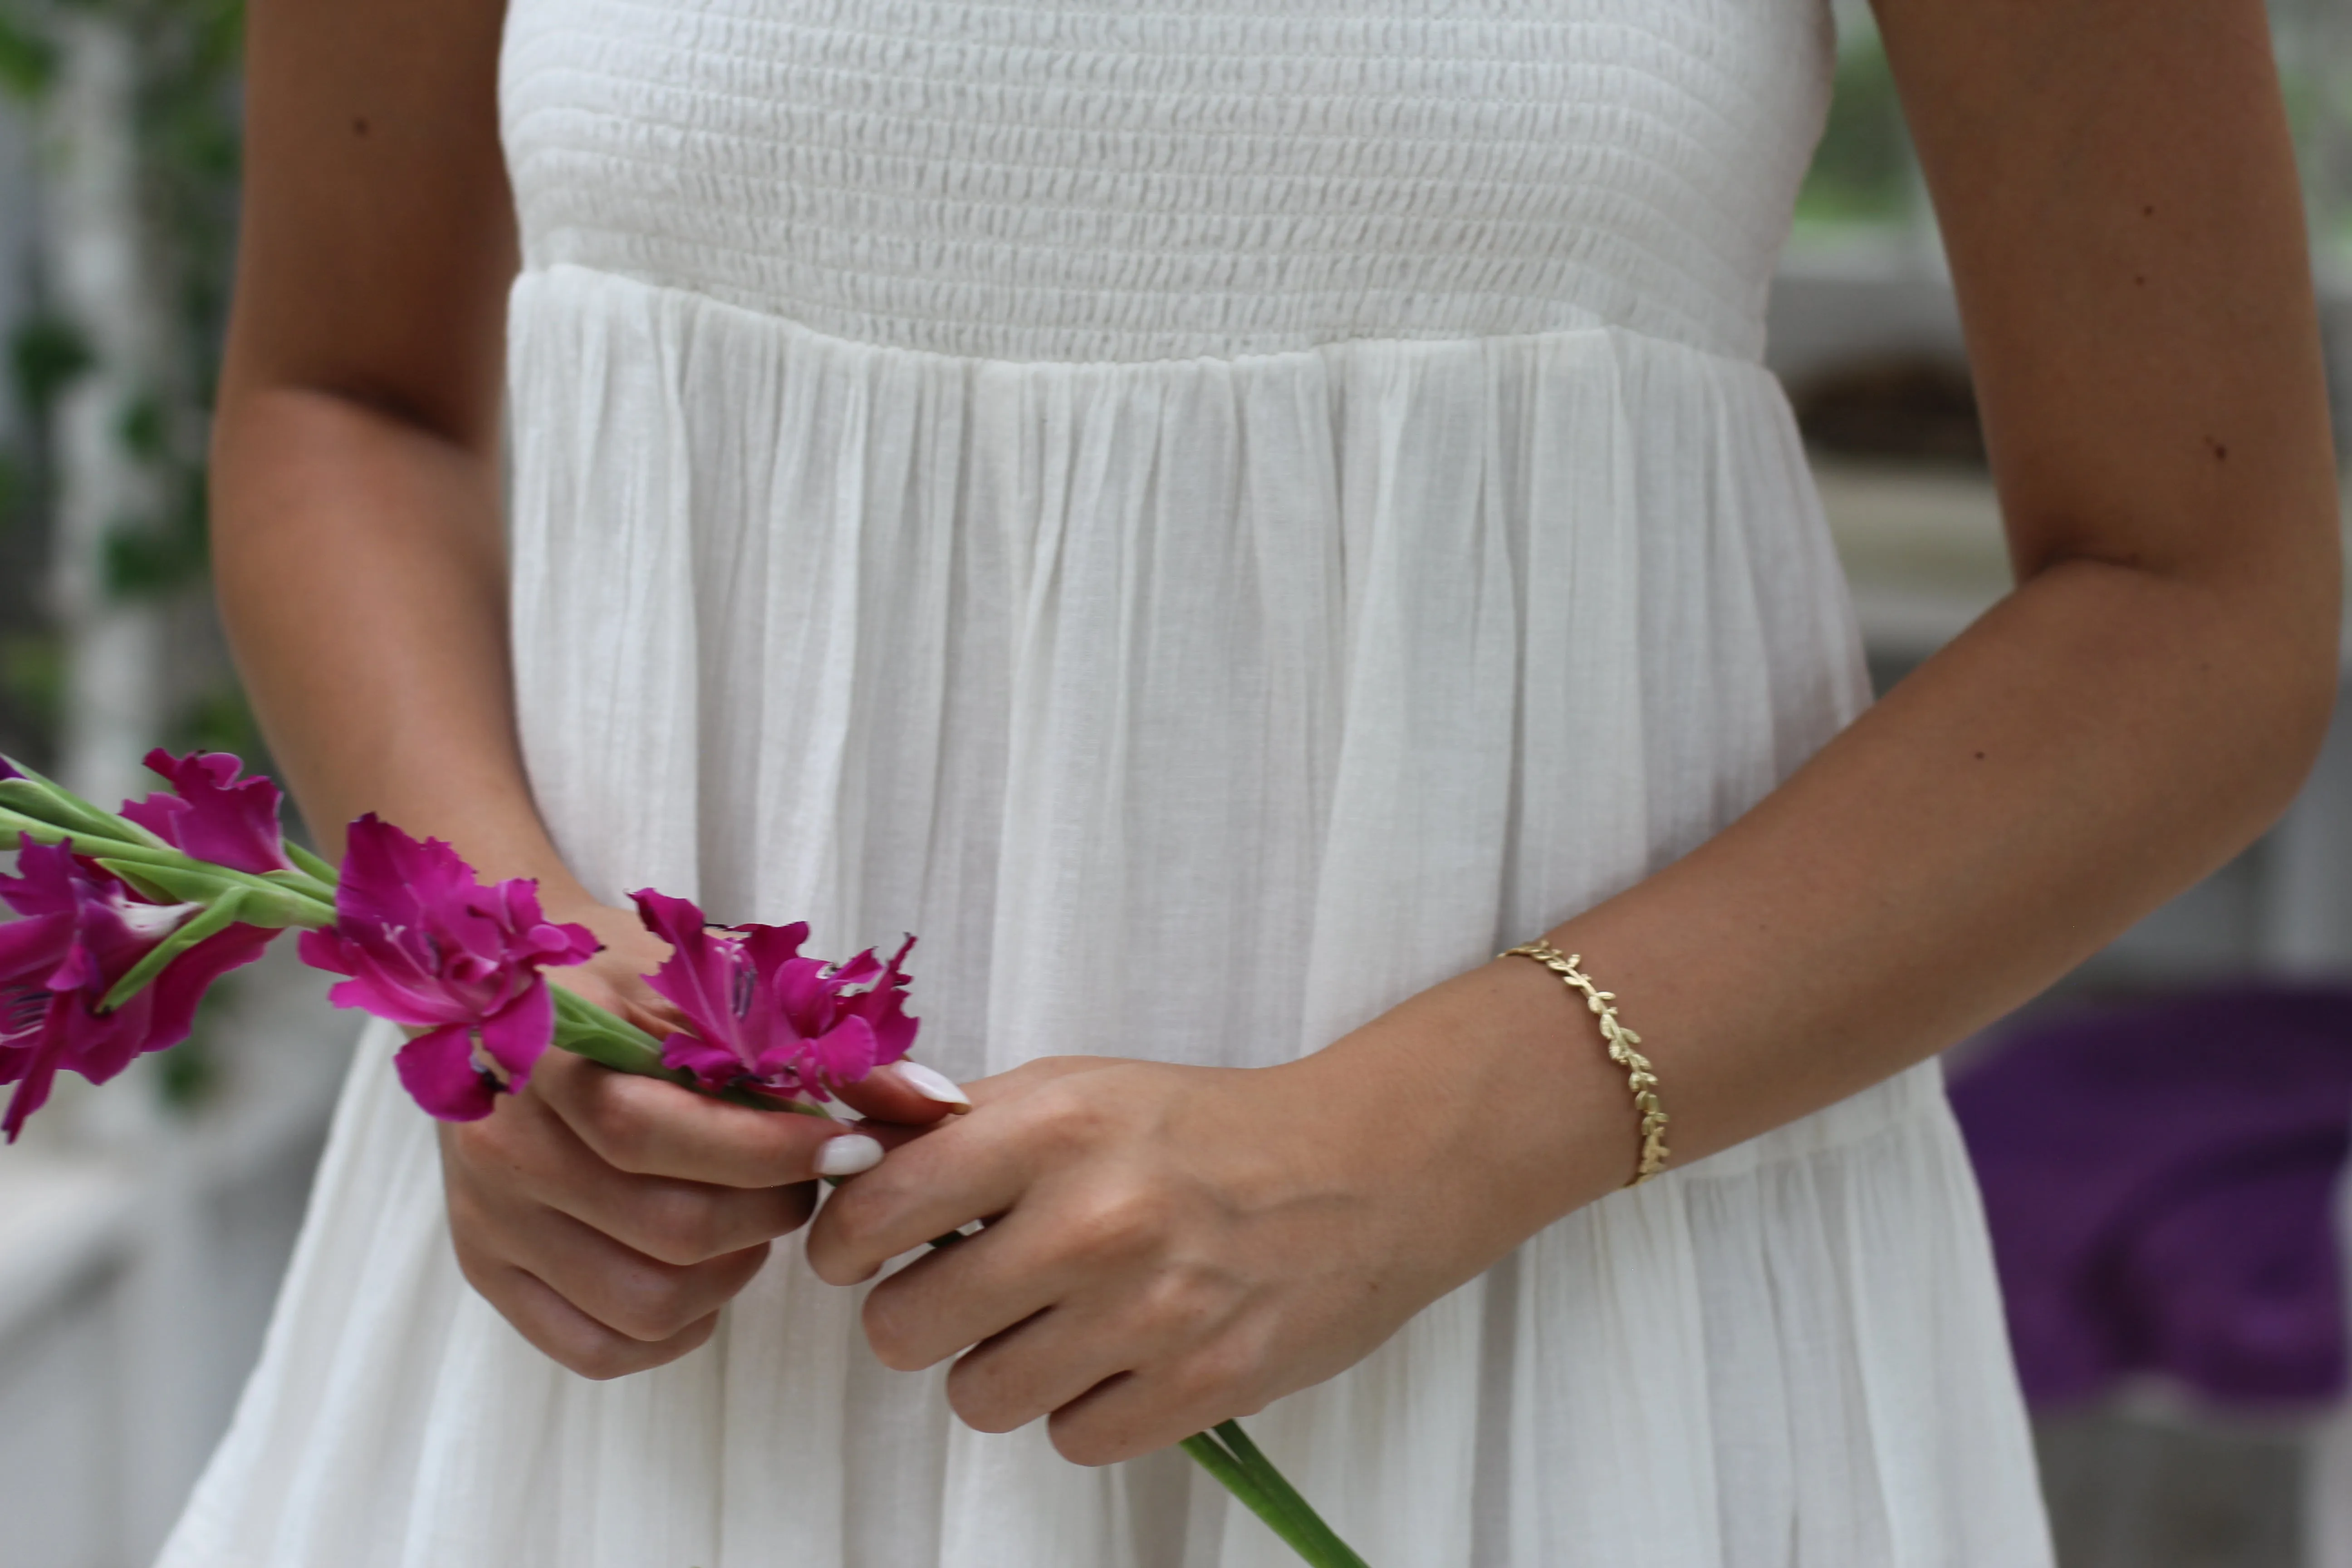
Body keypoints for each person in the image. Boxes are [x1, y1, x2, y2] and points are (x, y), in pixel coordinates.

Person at [157, 0, 2340, 1563]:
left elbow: (2202, 595)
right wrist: (509, 977)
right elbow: (346, 401)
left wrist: (1432, 1142)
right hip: (647, 1370)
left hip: (1552, 1343)